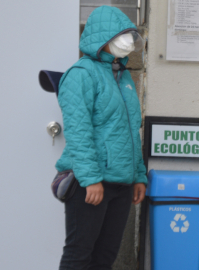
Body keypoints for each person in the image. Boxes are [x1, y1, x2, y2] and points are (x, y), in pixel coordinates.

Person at [55, 6, 148, 270]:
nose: (126, 42)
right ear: (101, 36)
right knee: (78, 255)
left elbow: (131, 130)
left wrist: (138, 176)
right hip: (91, 183)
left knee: (104, 258)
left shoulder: (122, 75)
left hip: (122, 183)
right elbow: (78, 130)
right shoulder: (81, 74)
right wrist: (90, 179)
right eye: (121, 36)